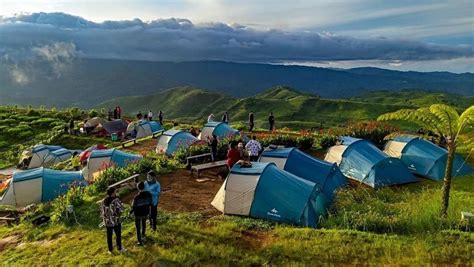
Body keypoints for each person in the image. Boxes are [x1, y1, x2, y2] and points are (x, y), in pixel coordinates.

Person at [100, 187, 125, 254]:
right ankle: (119, 248)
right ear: (113, 193)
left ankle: (110, 250)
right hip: (115, 220)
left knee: (109, 236)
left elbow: (102, 211)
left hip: (107, 221)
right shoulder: (116, 200)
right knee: (118, 235)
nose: (115, 193)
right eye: (115, 192)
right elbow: (121, 209)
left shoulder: (103, 200)